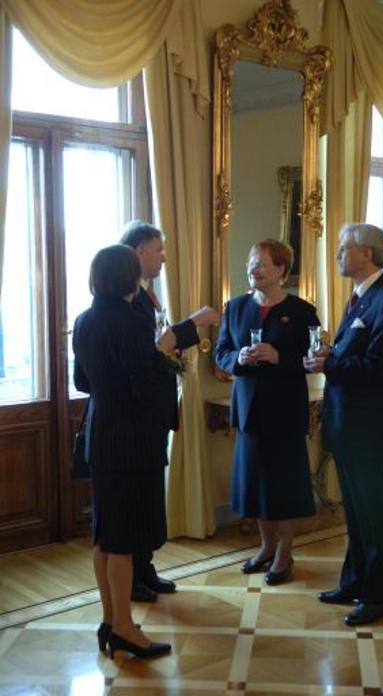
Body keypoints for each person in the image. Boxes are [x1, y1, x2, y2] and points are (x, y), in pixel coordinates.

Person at [305, 222, 383, 626]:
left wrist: (329, 362)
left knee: (376, 513)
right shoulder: (360, 299)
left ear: (367, 253)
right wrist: (330, 355)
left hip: (367, 427)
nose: (337, 254)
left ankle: (379, 596)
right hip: (346, 423)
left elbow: (379, 368)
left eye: (343, 247)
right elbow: (357, 355)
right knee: (356, 511)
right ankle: (354, 582)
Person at [73, 244, 172, 658]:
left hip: (101, 435)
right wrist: (162, 355)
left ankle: (111, 619)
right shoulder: (131, 323)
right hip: (131, 440)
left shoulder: (84, 320)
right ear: (130, 277)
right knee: (124, 538)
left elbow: (82, 382)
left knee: (104, 533)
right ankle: (127, 629)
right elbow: (145, 388)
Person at [120, 220, 220, 602]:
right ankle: (131, 577)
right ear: (139, 251)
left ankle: (144, 569)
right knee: (138, 497)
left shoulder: (148, 294)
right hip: (137, 415)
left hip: (154, 411)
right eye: (158, 249)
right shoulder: (129, 302)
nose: (164, 256)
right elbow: (150, 351)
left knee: (148, 495)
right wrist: (192, 324)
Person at [215, 239, 319, 585]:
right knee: (256, 483)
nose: (253, 269)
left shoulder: (303, 312)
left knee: (286, 485)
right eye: (251, 262)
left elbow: (312, 361)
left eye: (261, 263)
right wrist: (238, 360)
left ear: (281, 270)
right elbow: (221, 353)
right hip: (249, 411)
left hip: (286, 411)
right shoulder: (235, 307)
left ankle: (285, 553)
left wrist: (279, 357)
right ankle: (265, 546)